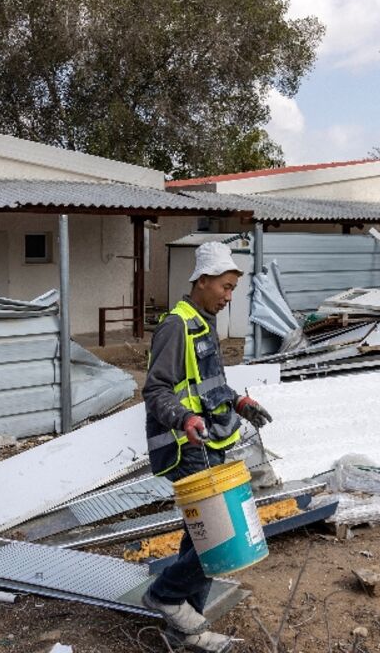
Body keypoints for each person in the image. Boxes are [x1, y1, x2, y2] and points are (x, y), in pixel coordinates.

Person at [141, 241, 273, 653]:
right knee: (217, 538)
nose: (229, 296)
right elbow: (155, 389)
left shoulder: (203, 322)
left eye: (233, 288)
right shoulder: (175, 326)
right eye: (226, 287)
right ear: (203, 281)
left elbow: (207, 384)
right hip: (186, 447)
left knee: (198, 536)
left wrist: (238, 401)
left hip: (209, 442)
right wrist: (185, 418)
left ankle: (185, 632)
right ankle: (164, 596)